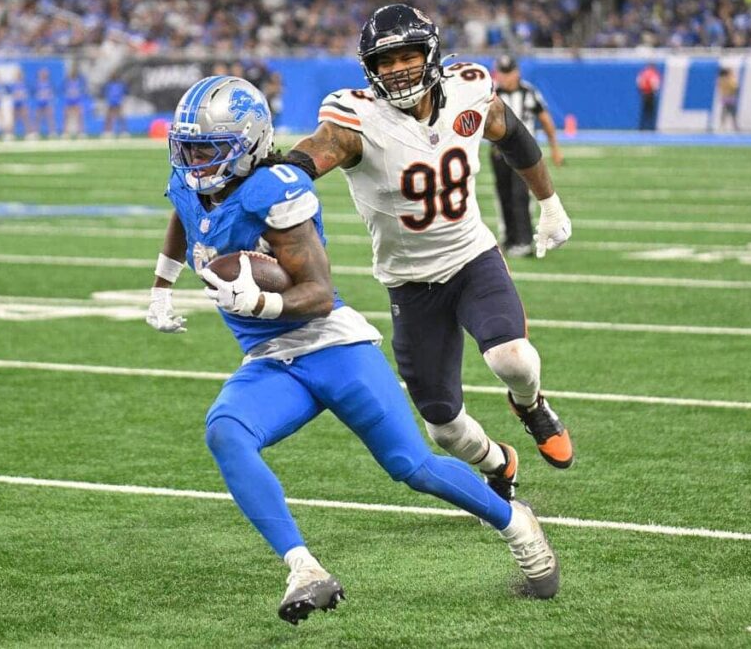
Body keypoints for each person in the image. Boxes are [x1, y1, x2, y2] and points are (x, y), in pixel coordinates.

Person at [146, 75, 560, 624]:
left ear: (248, 143)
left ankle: (516, 523)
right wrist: (162, 284)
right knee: (226, 431)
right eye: (189, 149)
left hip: (332, 345)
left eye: (209, 150)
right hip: (271, 360)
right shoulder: (188, 180)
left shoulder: (275, 191)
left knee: (411, 465)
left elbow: (318, 295)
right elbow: (186, 216)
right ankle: (304, 568)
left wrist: (261, 302)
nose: (195, 162)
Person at [286, 4, 575, 478]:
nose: (398, 70)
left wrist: (550, 204)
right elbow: (314, 154)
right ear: (370, 70)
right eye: (385, 62)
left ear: (431, 54)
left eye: (407, 56)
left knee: (515, 360)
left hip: (471, 257)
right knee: (443, 427)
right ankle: (500, 464)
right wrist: (270, 178)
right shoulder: (356, 118)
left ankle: (530, 405)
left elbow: (513, 136)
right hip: (410, 282)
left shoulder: (468, 90)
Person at [491, 54, 564, 258]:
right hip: (498, 153)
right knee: (503, 195)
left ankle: (524, 240)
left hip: (522, 153)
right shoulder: (493, 93)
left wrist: (555, 148)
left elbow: (545, 120)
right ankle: (509, 238)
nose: (505, 77)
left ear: (517, 72)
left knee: (520, 195)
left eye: (509, 72)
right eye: (502, 73)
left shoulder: (529, 92)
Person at [62, 65, 87, 138]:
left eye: (75, 72)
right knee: (66, 116)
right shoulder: (67, 81)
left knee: (80, 116)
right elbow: (64, 89)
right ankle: (65, 132)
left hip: (77, 100)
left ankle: (81, 131)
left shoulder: (79, 81)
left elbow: (82, 89)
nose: (73, 73)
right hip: (69, 100)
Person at [32, 67, 56, 138]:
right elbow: (35, 93)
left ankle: (52, 132)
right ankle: (36, 132)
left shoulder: (49, 83)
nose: (43, 75)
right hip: (40, 102)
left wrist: (50, 100)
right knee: (37, 117)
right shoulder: (37, 83)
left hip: (47, 102)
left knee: (50, 117)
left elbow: (51, 93)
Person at [636, 62, 661, 131]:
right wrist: (655, 91)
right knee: (651, 112)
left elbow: (639, 82)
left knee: (644, 111)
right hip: (651, 94)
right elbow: (655, 83)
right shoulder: (653, 74)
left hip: (644, 94)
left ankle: (642, 127)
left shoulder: (643, 73)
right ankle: (652, 127)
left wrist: (641, 90)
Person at [102, 72, 127, 138]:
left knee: (120, 117)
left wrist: (121, 100)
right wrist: (108, 100)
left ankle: (123, 131)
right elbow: (106, 93)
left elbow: (123, 93)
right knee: (108, 117)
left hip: (118, 102)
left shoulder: (120, 85)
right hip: (111, 102)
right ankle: (107, 131)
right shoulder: (109, 85)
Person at [716, 67, 739, 132]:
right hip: (730, 97)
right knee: (732, 112)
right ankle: (734, 125)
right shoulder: (729, 79)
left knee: (725, 112)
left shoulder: (720, 80)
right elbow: (735, 87)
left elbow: (720, 88)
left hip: (725, 97)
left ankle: (722, 125)